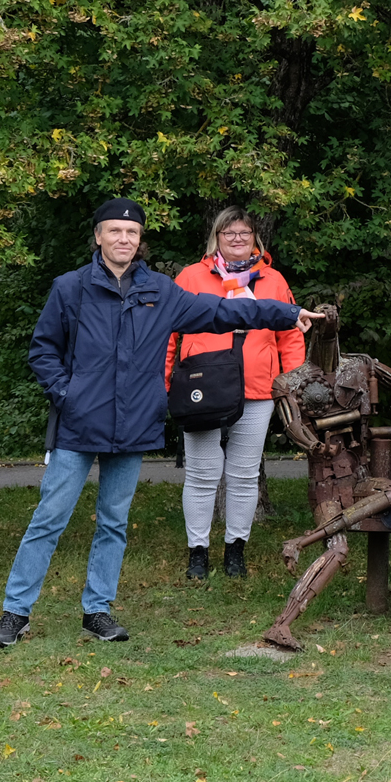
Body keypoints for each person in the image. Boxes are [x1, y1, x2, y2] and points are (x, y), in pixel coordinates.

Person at [0, 198, 321, 647]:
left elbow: (224, 312)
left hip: (132, 424)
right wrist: (67, 394)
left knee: (113, 521)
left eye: (132, 233)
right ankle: (15, 612)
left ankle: (98, 610)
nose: (124, 239)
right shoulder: (70, 289)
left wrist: (284, 313)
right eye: (115, 232)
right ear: (98, 237)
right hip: (78, 425)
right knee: (49, 518)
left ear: (140, 240)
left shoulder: (161, 292)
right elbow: (43, 351)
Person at [164, 207, 306, 581]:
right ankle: (198, 551)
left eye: (245, 233)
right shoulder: (191, 277)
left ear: (256, 239)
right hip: (201, 386)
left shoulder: (273, 281)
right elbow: (167, 333)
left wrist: (290, 385)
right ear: (216, 238)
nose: (238, 239)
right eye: (230, 233)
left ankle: (235, 549)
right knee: (201, 472)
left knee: (243, 474)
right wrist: (165, 384)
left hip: (257, 389)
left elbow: (290, 337)